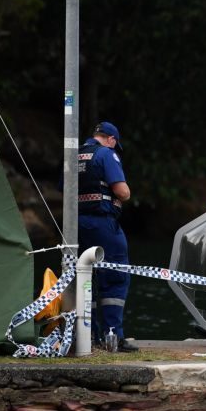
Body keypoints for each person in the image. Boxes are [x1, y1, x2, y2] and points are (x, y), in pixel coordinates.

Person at [77, 121, 137, 352]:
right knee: (115, 275)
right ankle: (113, 337)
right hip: (103, 224)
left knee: (85, 277)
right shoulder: (106, 155)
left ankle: (87, 335)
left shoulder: (73, 155)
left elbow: (65, 187)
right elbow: (123, 191)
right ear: (111, 139)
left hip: (76, 225)